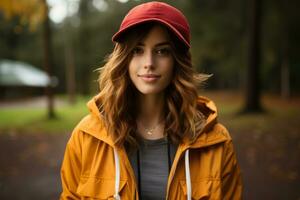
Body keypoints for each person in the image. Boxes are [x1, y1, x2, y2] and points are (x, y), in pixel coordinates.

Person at [60, 1, 242, 200]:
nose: (149, 63)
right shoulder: (87, 136)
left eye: (162, 51)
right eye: (137, 50)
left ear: (177, 60)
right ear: (125, 58)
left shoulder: (216, 141)